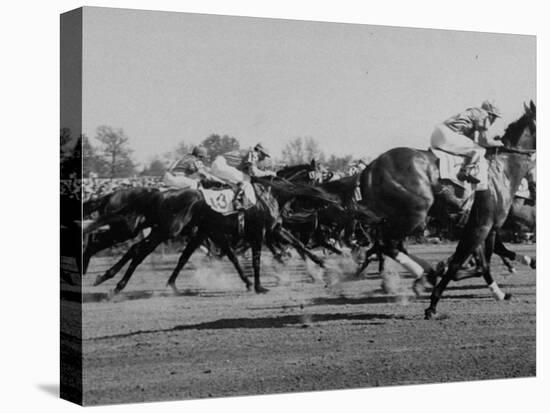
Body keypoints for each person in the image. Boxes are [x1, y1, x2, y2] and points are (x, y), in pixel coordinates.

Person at [430, 100, 502, 184]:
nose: (494, 120)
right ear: (491, 114)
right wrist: (500, 143)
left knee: (467, 149)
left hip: (436, 135)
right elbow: (484, 142)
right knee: (480, 150)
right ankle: (465, 172)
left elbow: (470, 140)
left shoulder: (472, 112)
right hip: (447, 134)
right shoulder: (484, 115)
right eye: (495, 117)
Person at [211, 143, 275, 209]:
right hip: (221, 165)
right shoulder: (253, 153)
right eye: (263, 155)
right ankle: (238, 202)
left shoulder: (249, 152)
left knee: (243, 178)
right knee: (247, 179)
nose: (264, 158)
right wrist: (268, 173)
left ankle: (235, 197)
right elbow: (253, 172)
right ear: (258, 151)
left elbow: (247, 170)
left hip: (219, 165)